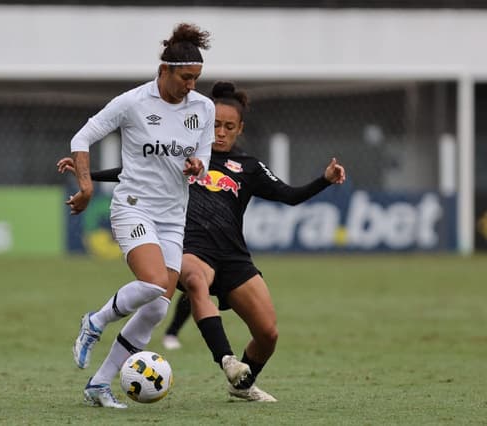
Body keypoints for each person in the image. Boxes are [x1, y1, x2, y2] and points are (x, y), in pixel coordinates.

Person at [60, 81, 346, 403]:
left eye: (228, 127)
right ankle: (226, 361)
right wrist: (89, 174)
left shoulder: (248, 167)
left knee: (268, 333)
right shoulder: (185, 152)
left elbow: (290, 196)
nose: (220, 133)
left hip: (233, 256)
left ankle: (241, 385)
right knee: (194, 281)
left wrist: (325, 180)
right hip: (187, 246)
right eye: (216, 126)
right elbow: (135, 169)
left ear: (239, 129)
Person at [58, 23, 214, 409]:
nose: (191, 85)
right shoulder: (132, 102)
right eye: (185, 77)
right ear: (164, 70)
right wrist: (87, 187)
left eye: (196, 78)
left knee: (158, 305)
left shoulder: (204, 108)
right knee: (155, 281)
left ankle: (99, 384)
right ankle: (93, 322)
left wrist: (198, 165)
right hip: (133, 206)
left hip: (173, 216)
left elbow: (205, 157)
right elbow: (82, 138)